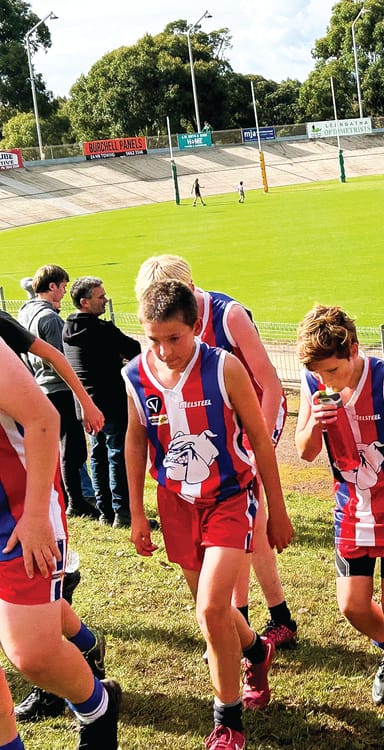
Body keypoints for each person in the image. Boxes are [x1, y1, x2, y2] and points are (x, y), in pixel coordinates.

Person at [124, 280, 293, 750]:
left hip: (229, 498)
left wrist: (277, 510)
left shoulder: (224, 368)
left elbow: (260, 440)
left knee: (211, 609)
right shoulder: (136, 375)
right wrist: (138, 512)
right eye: (153, 338)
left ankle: (227, 721)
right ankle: (257, 651)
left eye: (173, 338)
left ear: (196, 327)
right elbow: (136, 441)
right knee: (212, 613)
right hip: (175, 504)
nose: (164, 349)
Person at [135, 255, 297, 648]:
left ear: (189, 292)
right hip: (208, 428)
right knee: (242, 529)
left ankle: (256, 621)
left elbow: (271, 385)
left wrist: (252, 449)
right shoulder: (162, 334)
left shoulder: (228, 316)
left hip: (252, 418)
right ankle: (257, 621)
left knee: (248, 520)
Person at [295, 304, 384, 737]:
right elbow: (304, 451)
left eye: (333, 370)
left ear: (354, 349)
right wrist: (315, 423)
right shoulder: (313, 383)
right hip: (351, 511)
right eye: (320, 373)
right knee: (352, 606)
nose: (327, 380)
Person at [0, 339, 121, 750]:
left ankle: (97, 707)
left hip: (18, 517)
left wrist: (34, 516)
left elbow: (43, 418)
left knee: (30, 654)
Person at [18, 265, 103, 520]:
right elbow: (60, 359)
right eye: (63, 286)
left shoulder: (26, 311)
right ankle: (76, 500)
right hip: (59, 387)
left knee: (58, 445)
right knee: (73, 446)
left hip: (40, 385)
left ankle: (69, 496)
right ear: (52, 286)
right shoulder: (50, 319)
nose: (65, 292)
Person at [62, 277, 141, 527]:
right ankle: (122, 512)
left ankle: (106, 511)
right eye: (100, 297)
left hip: (86, 405)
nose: (105, 300)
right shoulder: (101, 330)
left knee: (97, 455)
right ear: (85, 302)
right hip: (111, 401)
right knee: (117, 454)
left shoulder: (67, 329)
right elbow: (135, 348)